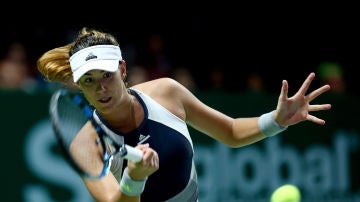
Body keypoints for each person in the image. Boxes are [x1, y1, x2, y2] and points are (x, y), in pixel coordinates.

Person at [37, 27, 331, 202]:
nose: (101, 88)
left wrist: (276, 120)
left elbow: (229, 132)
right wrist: (134, 178)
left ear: (123, 70)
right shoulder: (85, 146)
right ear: (79, 86)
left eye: (107, 76)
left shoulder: (166, 92)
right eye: (89, 80)